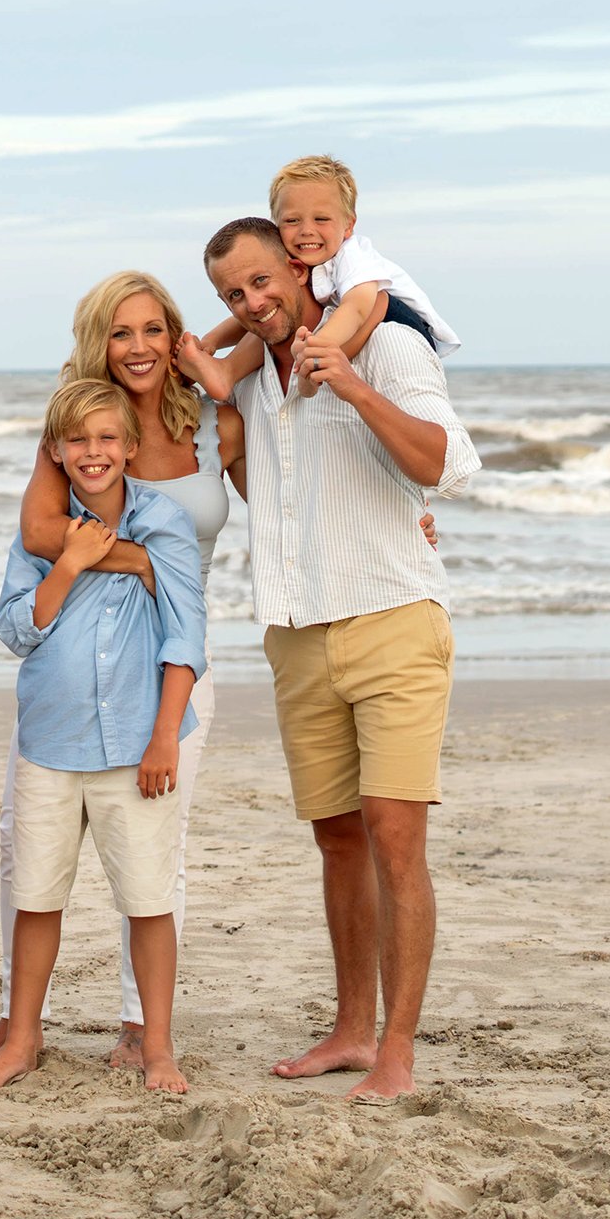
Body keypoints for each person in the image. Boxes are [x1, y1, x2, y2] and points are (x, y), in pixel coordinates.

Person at [205, 214, 480, 1100]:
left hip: (393, 620)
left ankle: (397, 1053)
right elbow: (268, 496)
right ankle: (351, 1031)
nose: (252, 304)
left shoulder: (391, 342)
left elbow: (444, 464)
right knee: (336, 841)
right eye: (232, 296)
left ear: (300, 262)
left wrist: (356, 387)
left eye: (259, 282)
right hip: (296, 632)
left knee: (396, 840)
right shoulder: (252, 381)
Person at [0, 272, 241, 1076]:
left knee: (153, 866)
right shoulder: (74, 429)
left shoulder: (214, 423)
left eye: (154, 329)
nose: (139, 346)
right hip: (63, 690)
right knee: (31, 861)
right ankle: (23, 1026)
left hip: (164, 682)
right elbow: (42, 538)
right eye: (121, 332)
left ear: (174, 335)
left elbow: (283, 486)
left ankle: (142, 1031)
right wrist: (127, 562)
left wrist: (404, 511)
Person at [182, 154, 460, 403]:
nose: (306, 231)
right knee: (270, 311)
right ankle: (229, 371)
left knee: (373, 301)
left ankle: (309, 369)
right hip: (348, 315)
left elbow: (358, 307)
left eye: (321, 220)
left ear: (348, 225)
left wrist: (315, 347)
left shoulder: (353, 257)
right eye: (292, 221)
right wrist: (211, 342)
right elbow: (250, 313)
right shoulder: (297, 262)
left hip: (397, 317)